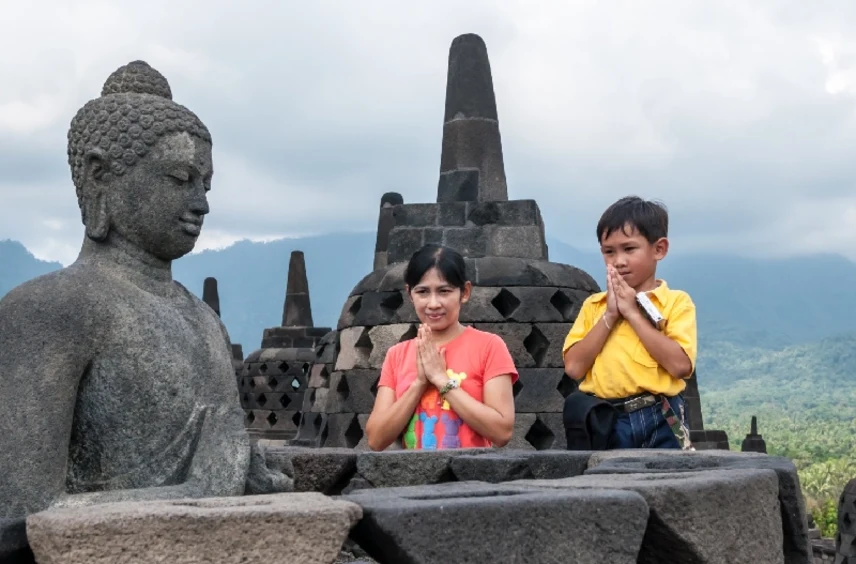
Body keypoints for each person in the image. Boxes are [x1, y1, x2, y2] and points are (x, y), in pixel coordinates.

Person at [562, 196, 697, 449]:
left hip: (661, 414)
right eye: (609, 252)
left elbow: (680, 365)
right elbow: (574, 368)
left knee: (665, 484)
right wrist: (611, 315)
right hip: (607, 417)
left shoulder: (676, 302)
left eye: (629, 249)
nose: (618, 261)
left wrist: (633, 313)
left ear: (659, 249)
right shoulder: (594, 306)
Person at [365, 244, 518, 451]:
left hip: (471, 478)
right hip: (413, 480)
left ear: (464, 292)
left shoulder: (489, 347)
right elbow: (376, 439)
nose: (433, 303)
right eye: (423, 292)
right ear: (410, 294)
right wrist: (419, 383)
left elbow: (501, 432)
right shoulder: (397, 355)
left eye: (444, 291)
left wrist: (441, 379)